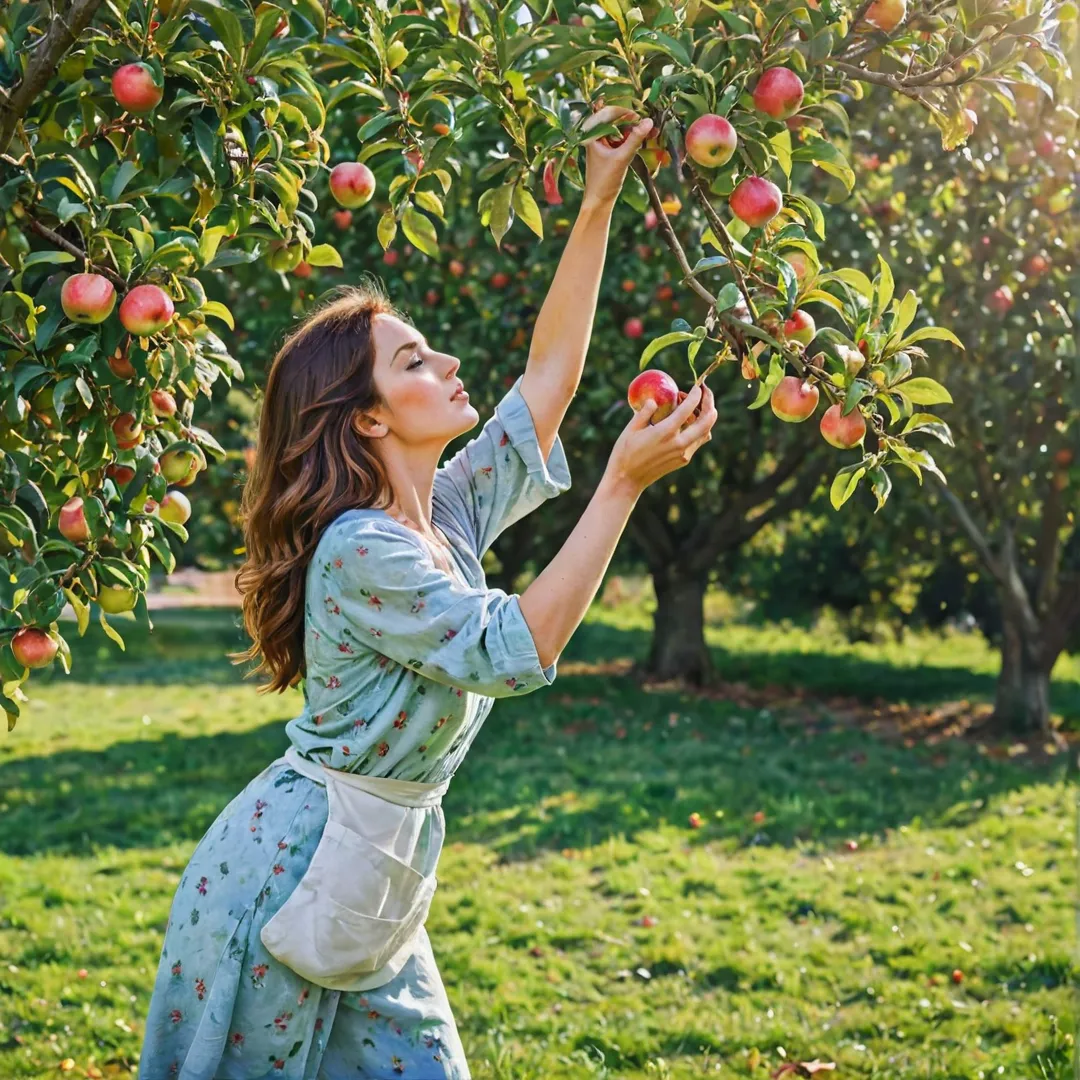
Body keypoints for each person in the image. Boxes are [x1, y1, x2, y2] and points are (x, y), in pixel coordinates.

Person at [138, 105, 718, 1080]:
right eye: (414, 362)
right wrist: (620, 484)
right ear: (366, 420)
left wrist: (599, 197)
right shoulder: (361, 548)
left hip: (377, 867)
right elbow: (514, 649)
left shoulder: (441, 512)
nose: (448, 365)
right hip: (286, 875)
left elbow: (548, 377)